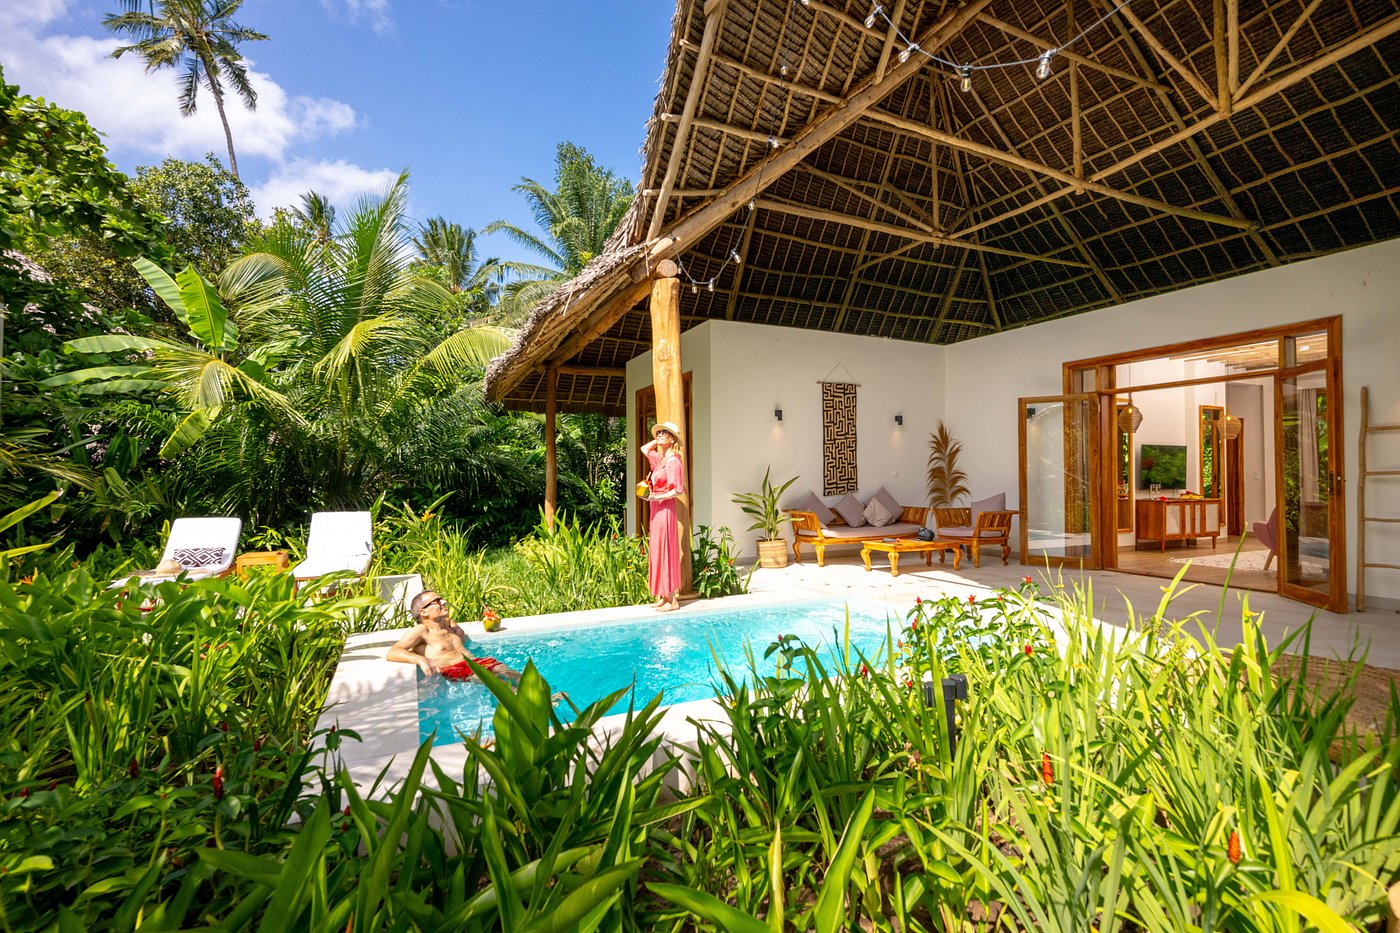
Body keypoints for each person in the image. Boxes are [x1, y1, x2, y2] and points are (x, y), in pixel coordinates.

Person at [386, 590, 521, 683]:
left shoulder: (447, 623)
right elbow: (393, 652)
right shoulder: (422, 631)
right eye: (436, 601)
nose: (443, 602)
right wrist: (421, 660)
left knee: (517, 676)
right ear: (423, 612)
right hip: (456, 669)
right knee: (502, 687)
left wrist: (458, 631)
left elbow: (458, 633)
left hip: (475, 662)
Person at [640, 420, 685, 612]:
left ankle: (672, 600)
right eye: (658, 433)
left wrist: (656, 496)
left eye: (664, 433)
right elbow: (644, 448)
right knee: (658, 548)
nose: (659, 436)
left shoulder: (674, 461)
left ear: (672, 438)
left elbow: (678, 489)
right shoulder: (661, 459)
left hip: (665, 507)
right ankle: (662, 594)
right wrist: (658, 439)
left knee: (666, 549)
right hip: (656, 508)